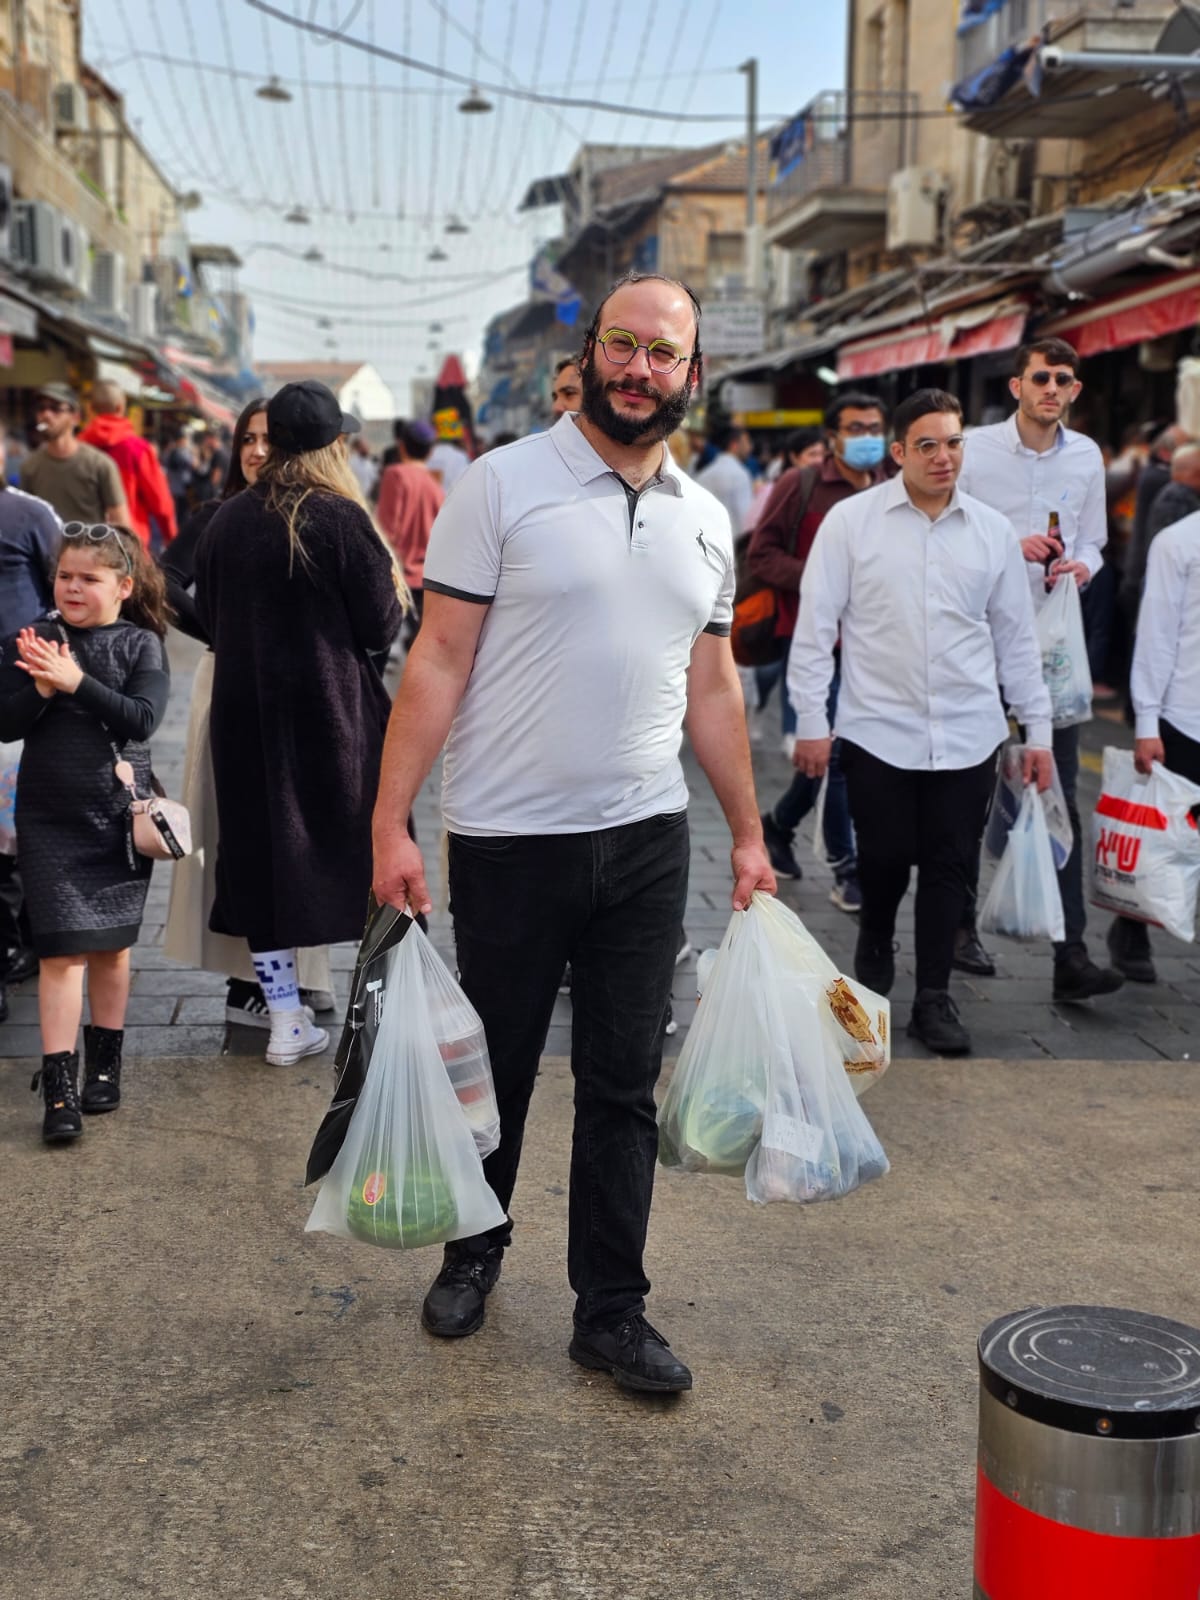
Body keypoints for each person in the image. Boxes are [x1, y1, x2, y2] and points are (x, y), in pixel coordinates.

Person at [371, 270, 775, 1393]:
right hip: (507, 838)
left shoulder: (705, 517)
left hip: (649, 840)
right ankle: (473, 1250)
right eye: (625, 345)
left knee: (621, 1085)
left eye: (665, 354)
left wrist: (745, 832)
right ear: (592, 348)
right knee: (492, 1069)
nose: (641, 370)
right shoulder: (503, 484)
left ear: (694, 375)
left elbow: (714, 689)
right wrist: (391, 820)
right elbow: (439, 658)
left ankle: (612, 1308)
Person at [790, 388, 1054, 1057]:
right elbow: (816, 632)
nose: (944, 457)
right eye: (928, 445)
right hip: (878, 729)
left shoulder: (991, 530)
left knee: (950, 867)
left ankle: (933, 997)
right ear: (900, 451)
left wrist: (1038, 731)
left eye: (954, 442)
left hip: (969, 733)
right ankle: (874, 943)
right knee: (881, 862)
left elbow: (1016, 639)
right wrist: (812, 722)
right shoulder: (852, 524)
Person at [194, 380, 404, 1067]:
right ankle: (377, 1018)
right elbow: (381, 624)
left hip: (246, 717)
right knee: (370, 856)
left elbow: (209, 614)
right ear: (333, 445)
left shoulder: (226, 520)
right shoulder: (341, 518)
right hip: (332, 715)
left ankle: (285, 1019)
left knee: (262, 861)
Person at [161, 398, 336, 1027]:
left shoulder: (314, 514)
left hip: (303, 694)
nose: (257, 450)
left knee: (300, 834)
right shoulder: (218, 515)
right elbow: (162, 579)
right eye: (246, 440)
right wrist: (222, 629)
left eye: (269, 438)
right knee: (236, 834)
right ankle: (251, 981)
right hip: (232, 684)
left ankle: (301, 978)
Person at [958, 338, 1123, 1002]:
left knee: (1056, 791)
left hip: (1051, 643)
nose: (1051, 388)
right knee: (966, 791)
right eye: (1041, 377)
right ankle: (957, 932)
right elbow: (948, 521)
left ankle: (1070, 953)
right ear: (1017, 386)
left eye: (1063, 379)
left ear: (1075, 391)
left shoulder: (1086, 456)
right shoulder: (973, 448)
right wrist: (1008, 539)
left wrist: (1083, 563)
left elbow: (1095, 537)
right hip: (976, 638)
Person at [0, 522, 170, 1142]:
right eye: (64, 576)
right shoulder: (35, 637)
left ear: (123, 586)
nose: (72, 587)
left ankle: (106, 1064)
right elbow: (4, 721)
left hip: (115, 818)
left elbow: (144, 718)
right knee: (60, 953)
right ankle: (60, 1091)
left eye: (88, 579)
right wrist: (42, 687)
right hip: (47, 816)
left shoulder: (141, 644)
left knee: (112, 951)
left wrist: (76, 683)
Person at [749, 392, 890, 911]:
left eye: (874, 426)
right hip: (813, 641)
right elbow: (761, 554)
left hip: (873, 645)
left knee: (839, 753)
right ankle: (846, 867)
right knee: (836, 758)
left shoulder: (894, 489)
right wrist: (820, 579)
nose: (866, 436)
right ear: (832, 437)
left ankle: (779, 825)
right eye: (855, 428)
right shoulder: (801, 483)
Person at [1108, 508, 1200, 983]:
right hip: (1186, 713)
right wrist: (1147, 722)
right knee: (1166, 838)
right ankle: (1130, 926)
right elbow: (1156, 635)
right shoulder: (1177, 543)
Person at [0, 423, 63, 1017]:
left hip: (19, 679)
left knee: (14, 816)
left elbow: (58, 580)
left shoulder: (27, 513)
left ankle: (20, 936)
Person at [79, 380, 177, 550]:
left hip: (81, 544)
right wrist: (171, 537)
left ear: (91, 409)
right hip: (127, 546)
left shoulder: (78, 447)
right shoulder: (137, 449)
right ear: (120, 408)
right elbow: (161, 502)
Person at [19, 383, 130, 529]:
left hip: (90, 550)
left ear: (75, 418)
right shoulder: (30, 466)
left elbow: (121, 523)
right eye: (41, 408)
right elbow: (26, 519)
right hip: (47, 551)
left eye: (55, 408)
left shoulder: (100, 464)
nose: (46, 414)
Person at [375, 419, 445, 642]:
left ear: (401, 446)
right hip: (429, 580)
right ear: (431, 450)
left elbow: (386, 531)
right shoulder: (436, 486)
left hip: (399, 579)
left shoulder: (395, 475)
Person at [695, 423, 754, 534]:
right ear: (734, 445)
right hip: (734, 544)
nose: (750, 447)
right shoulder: (740, 475)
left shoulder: (703, 475)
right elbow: (745, 518)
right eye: (746, 442)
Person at [164, 427, 195, 527]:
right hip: (182, 488)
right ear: (181, 440)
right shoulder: (181, 453)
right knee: (183, 514)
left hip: (173, 487)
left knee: (176, 513)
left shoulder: (170, 452)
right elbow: (194, 464)